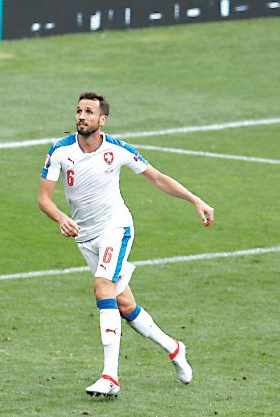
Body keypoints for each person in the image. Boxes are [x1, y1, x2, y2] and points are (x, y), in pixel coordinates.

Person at [38, 92, 214, 398]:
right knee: (124, 304)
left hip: (115, 229)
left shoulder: (118, 150)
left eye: (89, 112)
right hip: (85, 235)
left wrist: (195, 200)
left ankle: (110, 377)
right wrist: (59, 217)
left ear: (102, 120)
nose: (81, 116)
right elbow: (44, 198)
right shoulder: (60, 150)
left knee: (102, 288)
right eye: (79, 111)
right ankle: (174, 347)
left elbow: (157, 178)